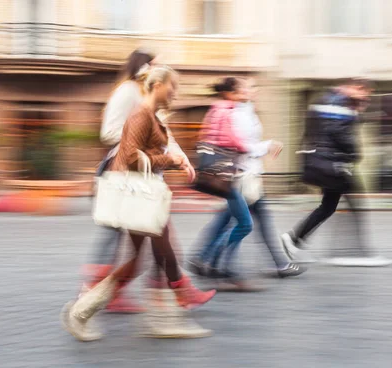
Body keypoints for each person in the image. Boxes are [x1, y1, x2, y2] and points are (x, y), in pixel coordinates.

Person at [61, 66, 217, 342]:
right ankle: (165, 318)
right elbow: (131, 156)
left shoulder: (153, 116)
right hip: (139, 194)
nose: (175, 93)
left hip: (144, 194)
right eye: (173, 87)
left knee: (138, 262)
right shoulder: (140, 115)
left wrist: (175, 160)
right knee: (165, 254)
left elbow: (147, 153)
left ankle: (81, 312)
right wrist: (171, 161)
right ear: (157, 85)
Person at [80, 49, 192, 313]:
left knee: (140, 236)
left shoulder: (148, 98)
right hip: (124, 173)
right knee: (119, 233)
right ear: (144, 67)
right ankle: (95, 295)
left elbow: (168, 139)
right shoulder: (128, 91)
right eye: (155, 64)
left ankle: (157, 290)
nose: (160, 69)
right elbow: (109, 132)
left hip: (143, 177)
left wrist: (181, 157)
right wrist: (139, 137)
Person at [188, 78, 305, 279]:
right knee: (243, 222)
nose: (253, 90)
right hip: (241, 173)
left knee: (236, 220)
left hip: (247, 173)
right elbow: (239, 145)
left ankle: (207, 260)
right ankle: (213, 261)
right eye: (248, 87)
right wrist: (267, 146)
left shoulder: (244, 109)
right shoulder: (234, 112)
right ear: (233, 92)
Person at [280, 78, 392, 267]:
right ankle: (357, 253)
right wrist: (354, 153)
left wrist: (357, 112)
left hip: (327, 161)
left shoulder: (330, 99)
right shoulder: (337, 102)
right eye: (366, 92)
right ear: (356, 88)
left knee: (329, 206)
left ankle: (294, 239)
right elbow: (340, 133)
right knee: (355, 204)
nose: (367, 97)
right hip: (334, 162)